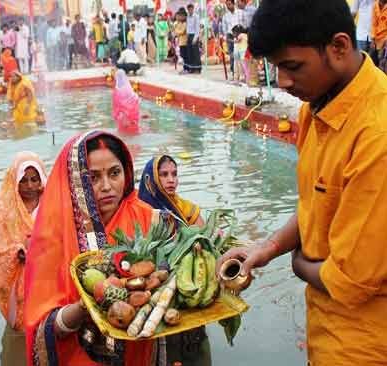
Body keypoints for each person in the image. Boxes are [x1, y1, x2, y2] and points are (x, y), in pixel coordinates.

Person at [218, 1, 387, 364]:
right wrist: (267, 248)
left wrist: (298, 263)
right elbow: (319, 202)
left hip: (363, 345)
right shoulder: (316, 107)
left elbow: (350, 282)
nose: (282, 82)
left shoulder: (378, 136)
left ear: (338, 47)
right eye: (276, 67)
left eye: (292, 67)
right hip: (323, 333)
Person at [24, 131, 171, 366]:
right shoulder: (52, 239)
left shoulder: (149, 220)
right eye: (93, 177)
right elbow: (44, 328)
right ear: (75, 183)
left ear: (127, 172)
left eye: (114, 173)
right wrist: (85, 306)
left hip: (138, 355)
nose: (106, 187)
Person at [138, 155, 209, 364]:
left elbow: (203, 237)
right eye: (164, 174)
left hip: (186, 287)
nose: (171, 180)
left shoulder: (185, 208)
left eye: (174, 174)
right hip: (155, 293)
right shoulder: (140, 211)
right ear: (151, 179)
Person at [0, 152, 47, 331]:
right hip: (18, 276)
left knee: (47, 320)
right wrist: (16, 252)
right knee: (22, 326)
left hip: (46, 272)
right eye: (23, 180)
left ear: (42, 180)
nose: (29, 186)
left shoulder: (51, 204)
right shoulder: (4, 209)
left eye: (34, 179)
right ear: (14, 181)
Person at [221, 0, 242, 77]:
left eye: (229, 4)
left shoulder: (240, 13)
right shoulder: (225, 16)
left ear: (233, 4)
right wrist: (224, 35)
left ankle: (241, 72)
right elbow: (224, 27)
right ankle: (234, 72)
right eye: (227, 5)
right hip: (230, 36)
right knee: (232, 54)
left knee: (240, 54)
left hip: (239, 35)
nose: (228, 6)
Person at [186, 3, 202, 73]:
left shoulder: (196, 17)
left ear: (193, 9)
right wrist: (187, 36)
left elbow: (197, 28)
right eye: (189, 9)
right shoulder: (187, 17)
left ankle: (198, 69)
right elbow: (187, 27)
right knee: (190, 53)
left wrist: (195, 38)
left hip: (194, 35)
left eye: (191, 9)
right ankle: (192, 68)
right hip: (189, 35)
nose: (190, 10)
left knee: (196, 53)